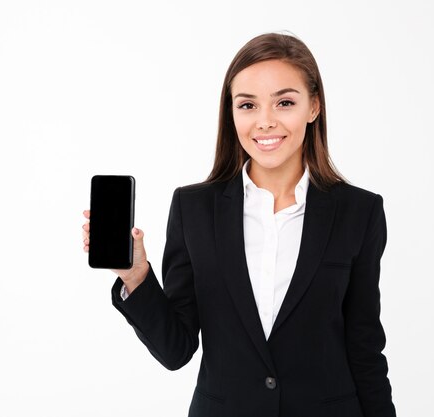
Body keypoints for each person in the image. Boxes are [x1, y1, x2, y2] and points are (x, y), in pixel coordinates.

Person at [82, 32, 396, 417]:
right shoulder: (194, 208)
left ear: (313, 107)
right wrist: (135, 277)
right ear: (231, 112)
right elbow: (176, 349)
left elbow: (363, 348)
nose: (265, 122)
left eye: (284, 102)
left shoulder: (359, 212)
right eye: (248, 105)